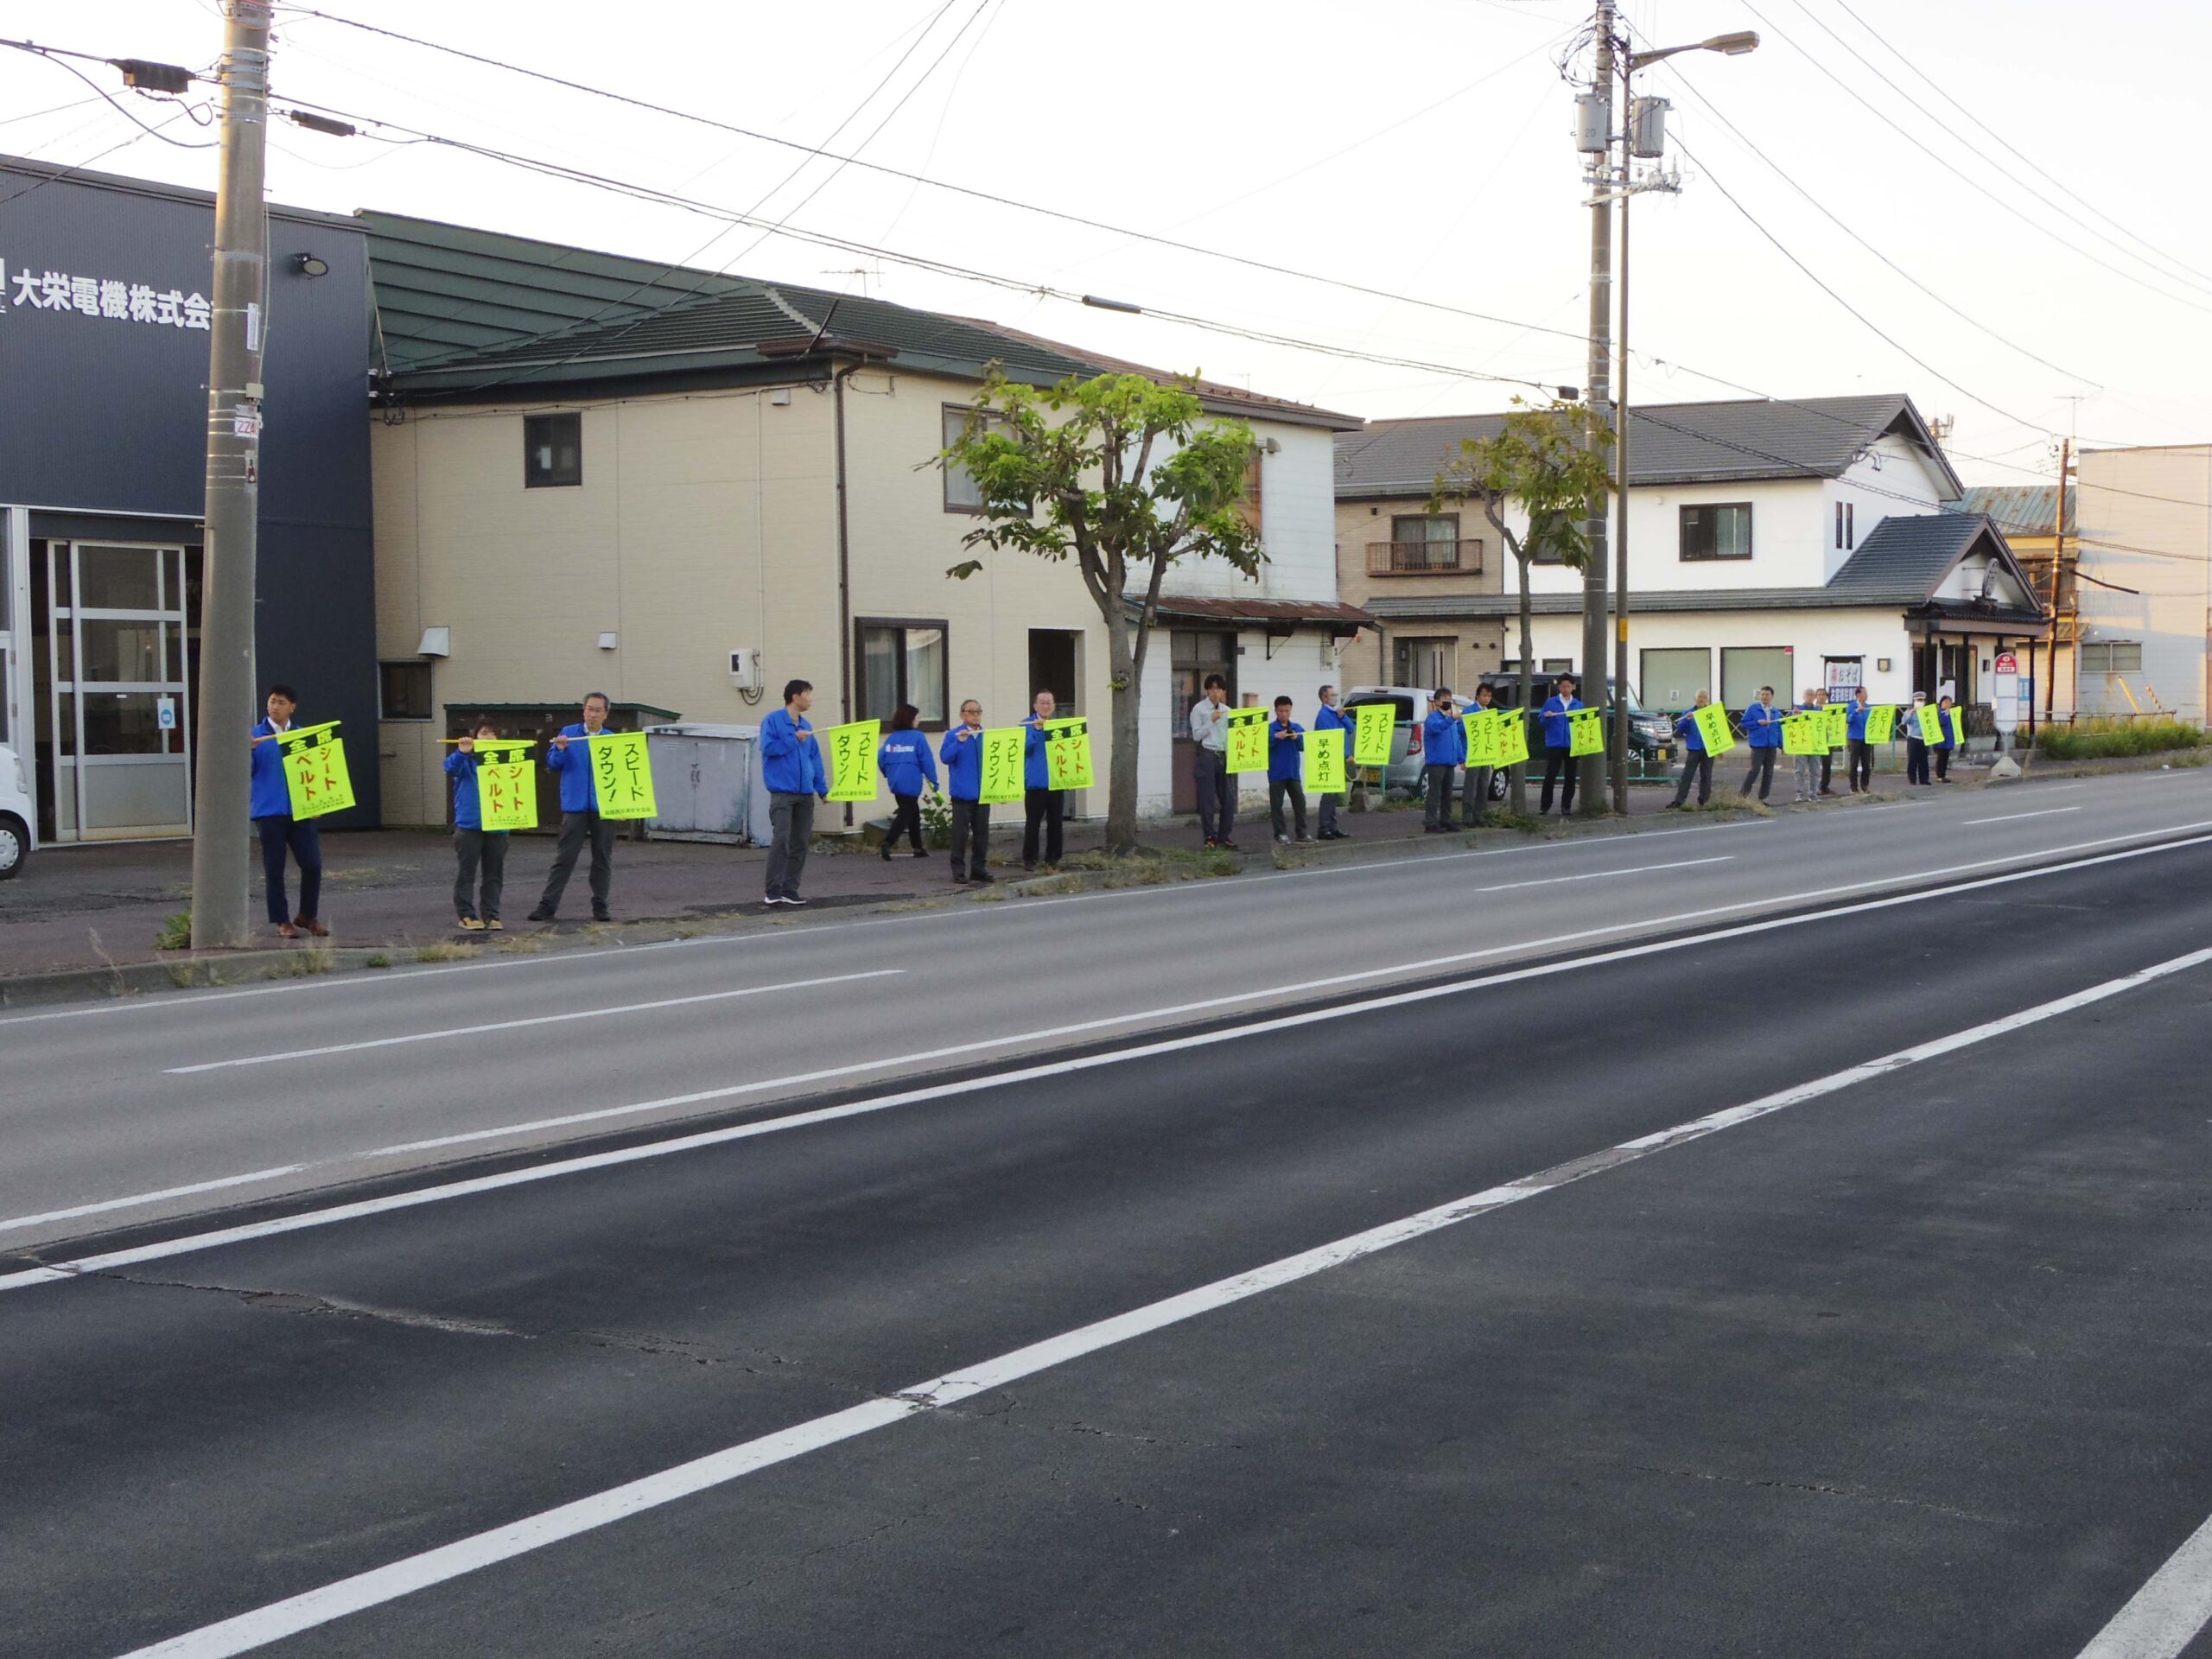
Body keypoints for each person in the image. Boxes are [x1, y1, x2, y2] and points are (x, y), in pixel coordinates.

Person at [529, 692, 617, 923]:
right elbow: (553, 764)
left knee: (602, 859)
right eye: (589, 709)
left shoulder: (611, 739)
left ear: (605, 714)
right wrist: (560, 750)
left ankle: (600, 905)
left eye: (598, 710)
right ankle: (547, 905)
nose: (593, 714)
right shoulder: (568, 733)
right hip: (575, 806)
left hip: (603, 808)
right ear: (583, 711)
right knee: (565, 858)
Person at [249, 683, 326, 940]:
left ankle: (307, 915)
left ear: (292, 707)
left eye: (281, 702)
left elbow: (316, 770)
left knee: (312, 864)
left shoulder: (303, 735)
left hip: (301, 810)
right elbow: (243, 772)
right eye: (272, 701)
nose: (275, 707)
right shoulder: (255, 736)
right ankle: (282, 920)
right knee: (275, 867)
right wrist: (248, 750)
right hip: (268, 811)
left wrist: (319, 803)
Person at [760, 678, 829, 906]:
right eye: (808, 694)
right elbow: (768, 748)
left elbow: (814, 759)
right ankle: (773, 891)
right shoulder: (773, 721)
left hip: (805, 794)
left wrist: (822, 789)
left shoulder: (807, 725)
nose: (811, 700)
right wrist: (793, 739)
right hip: (782, 793)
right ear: (795, 697)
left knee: (800, 842)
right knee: (782, 840)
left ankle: (790, 889)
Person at [444, 718, 507, 931]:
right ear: (475, 736)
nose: (488, 737)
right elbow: (449, 768)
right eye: (484, 733)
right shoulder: (467, 760)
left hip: (498, 825)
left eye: (492, 733)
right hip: (469, 825)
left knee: (494, 874)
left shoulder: (506, 761)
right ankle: (466, 915)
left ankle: (491, 915)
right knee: (467, 873)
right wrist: (462, 752)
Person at [938, 699, 995, 885]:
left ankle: (979, 869)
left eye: (978, 711)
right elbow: (945, 758)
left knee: (982, 835)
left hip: (983, 794)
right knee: (960, 836)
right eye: (971, 712)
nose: (975, 715)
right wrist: (959, 742)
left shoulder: (985, 736)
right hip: (962, 794)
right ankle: (958, 870)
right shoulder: (953, 735)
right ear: (962, 714)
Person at [876, 703, 938, 861]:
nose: (919, 720)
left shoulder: (892, 738)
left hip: (895, 779)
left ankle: (918, 847)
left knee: (913, 812)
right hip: (911, 779)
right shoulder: (918, 737)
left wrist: (887, 772)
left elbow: (881, 757)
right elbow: (927, 760)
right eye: (917, 717)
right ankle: (888, 841)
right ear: (910, 719)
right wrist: (933, 780)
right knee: (906, 812)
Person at [1189, 673, 1236, 849]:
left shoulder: (1228, 711)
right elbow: (1196, 735)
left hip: (1224, 755)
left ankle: (1224, 836)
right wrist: (1211, 721)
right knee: (1207, 799)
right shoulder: (1199, 709)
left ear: (1223, 691)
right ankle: (1209, 837)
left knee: (1229, 799)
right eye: (1212, 688)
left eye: (1219, 689)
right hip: (1207, 754)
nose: (1215, 692)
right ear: (1207, 690)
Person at [1020, 689, 1065, 869]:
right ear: (1035, 705)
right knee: (1033, 823)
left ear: (1054, 706)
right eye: (1042, 702)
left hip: (1056, 782)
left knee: (1056, 823)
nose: (1045, 706)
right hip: (1035, 783)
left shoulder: (1059, 725)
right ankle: (1030, 859)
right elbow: (1023, 749)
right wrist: (1037, 731)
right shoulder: (1026, 724)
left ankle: (1053, 858)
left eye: (1049, 703)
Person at [1267, 696, 1311, 844]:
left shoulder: (1297, 728)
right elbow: (1262, 746)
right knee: (1276, 805)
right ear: (1276, 711)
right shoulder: (1270, 729)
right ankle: (1280, 833)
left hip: (1293, 772)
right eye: (1281, 711)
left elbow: (1305, 746)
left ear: (1291, 710)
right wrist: (1275, 737)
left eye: (1287, 711)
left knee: (1300, 802)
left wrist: (1295, 738)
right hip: (1276, 772)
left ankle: (1302, 833)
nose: (1284, 714)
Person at [1537, 674, 1583, 817]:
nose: (1566, 689)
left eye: (1568, 686)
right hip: (1554, 744)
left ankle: (1566, 806)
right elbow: (1541, 721)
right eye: (1563, 686)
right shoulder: (1551, 702)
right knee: (1550, 775)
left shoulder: (1578, 705)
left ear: (1573, 687)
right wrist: (1546, 716)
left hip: (1572, 745)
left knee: (1570, 776)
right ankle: (1545, 806)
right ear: (1559, 687)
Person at [1312, 684, 1351, 841]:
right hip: (1330, 758)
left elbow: (1350, 729)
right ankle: (1323, 828)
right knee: (1329, 794)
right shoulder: (1324, 716)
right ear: (1324, 697)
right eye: (1332, 695)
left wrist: (1343, 717)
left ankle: (1332, 827)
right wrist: (1345, 755)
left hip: (1338, 758)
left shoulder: (1336, 713)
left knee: (1334, 795)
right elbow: (1331, 740)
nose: (1336, 697)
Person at [1421, 687, 1462, 832]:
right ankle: (1430, 822)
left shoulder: (1450, 721)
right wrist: (1451, 719)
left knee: (1447, 793)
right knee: (1435, 793)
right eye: (1445, 700)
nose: (1448, 703)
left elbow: (1456, 740)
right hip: (1437, 762)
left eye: (1450, 700)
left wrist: (1461, 759)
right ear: (1437, 702)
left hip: (1450, 762)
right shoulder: (1433, 718)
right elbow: (1435, 728)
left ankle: (1446, 820)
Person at [1459, 681, 1498, 829]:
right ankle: (1467, 816)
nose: (1487, 698)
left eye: (1489, 696)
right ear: (1477, 696)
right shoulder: (1469, 711)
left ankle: (1480, 815)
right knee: (1471, 786)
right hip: (1473, 753)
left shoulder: (1489, 712)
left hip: (1485, 753)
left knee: (1483, 786)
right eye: (1484, 695)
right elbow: (1460, 730)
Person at [1669, 690, 1717, 808]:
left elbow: (1718, 731)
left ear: (1708, 700)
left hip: (1708, 748)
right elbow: (1681, 729)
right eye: (1699, 697)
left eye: (1704, 697)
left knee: (1706, 775)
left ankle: (1704, 800)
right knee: (1687, 775)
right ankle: (1679, 800)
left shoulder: (1711, 713)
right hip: (1694, 748)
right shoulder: (1688, 712)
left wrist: (1719, 749)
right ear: (1695, 699)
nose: (1701, 699)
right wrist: (1687, 719)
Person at [1739, 685, 1783, 802]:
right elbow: (1743, 724)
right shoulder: (1753, 708)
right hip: (1758, 745)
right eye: (1762, 694)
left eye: (1767, 694)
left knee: (1768, 772)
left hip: (1771, 745)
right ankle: (1743, 795)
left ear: (1772, 696)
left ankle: (1764, 797)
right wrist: (1757, 723)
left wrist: (1781, 745)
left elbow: (1778, 729)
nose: (1764, 697)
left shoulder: (1775, 711)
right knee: (1755, 770)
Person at [1791, 687, 1823, 804]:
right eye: (1807, 694)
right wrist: (1794, 715)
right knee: (1799, 770)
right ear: (1803, 697)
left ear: (1814, 697)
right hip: (1801, 743)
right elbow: (1789, 724)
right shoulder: (1797, 709)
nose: (1809, 697)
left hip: (1815, 744)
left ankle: (1813, 793)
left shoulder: (1818, 711)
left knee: (1815, 771)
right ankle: (1799, 793)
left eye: (1811, 695)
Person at [1809, 685, 1839, 797]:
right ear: (1815, 697)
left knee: (1827, 764)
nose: (1821, 697)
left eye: (1823, 695)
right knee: (1814, 764)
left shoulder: (1831, 710)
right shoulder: (1812, 709)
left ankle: (1824, 786)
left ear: (1827, 697)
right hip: (1815, 740)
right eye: (1819, 695)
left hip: (1828, 740)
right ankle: (1814, 787)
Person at [1846, 687, 1874, 793]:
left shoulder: (1868, 707)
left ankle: (1865, 785)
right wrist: (1856, 712)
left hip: (1866, 738)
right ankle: (1853, 787)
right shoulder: (1852, 706)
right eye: (1864, 693)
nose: (1866, 695)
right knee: (1854, 763)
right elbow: (1848, 719)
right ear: (1858, 694)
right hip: (1854, 737)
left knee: (1866, 763)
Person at [1903, 691, 1932, 786]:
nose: (1920, 702)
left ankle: (1924, 779)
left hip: (1924, 738)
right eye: (1918, 700)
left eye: (1922, 700)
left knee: (1924, 760)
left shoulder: (1927, 712)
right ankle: (1912, 779)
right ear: (1914, 701)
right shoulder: (1909, 711)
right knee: (1912, 760)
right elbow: (1904, 722)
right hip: (1913, 738)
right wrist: (1911, 713)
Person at [1935, 692, 1960, 782]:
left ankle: (1943, 775)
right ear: (1943, 703)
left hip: (1948, 739)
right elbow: (1942, 723)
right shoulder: (1940, 713)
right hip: (1941, 740)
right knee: (1941, 758)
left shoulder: (1950, 713)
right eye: (1947, 702)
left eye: (1950, 702)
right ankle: (1939, 776)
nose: (1949, 704)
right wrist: (1946, 714)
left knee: (1945, 758)